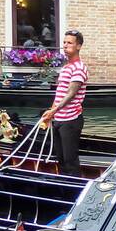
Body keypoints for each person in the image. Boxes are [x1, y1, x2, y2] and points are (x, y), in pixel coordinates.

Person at [38, 29, 88, 177]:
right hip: (59, 119)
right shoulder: (66, 68)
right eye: (64, 42)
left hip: (71, 120)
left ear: (78, 46)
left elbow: (71, 94)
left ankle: (74, 191)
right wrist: (50, 114)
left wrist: (53, 111)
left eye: (69, 43)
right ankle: (64, 188)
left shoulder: (79, 68)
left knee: (70, 160)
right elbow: (59, 94)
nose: (65, 45)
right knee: (60, 158)